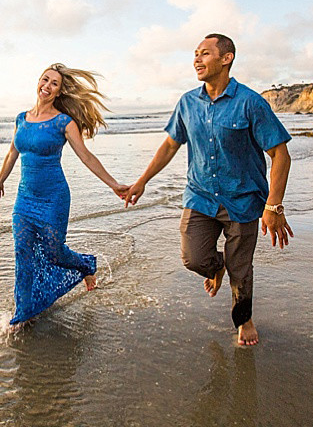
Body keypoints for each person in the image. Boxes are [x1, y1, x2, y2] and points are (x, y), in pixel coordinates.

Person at [123, 34, 293, 347]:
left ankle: (244, 320)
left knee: (240, 269)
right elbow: (171, 144)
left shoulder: (250, 103)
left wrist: (273, 206)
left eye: (205, 53)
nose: (196, 60)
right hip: (199, 195)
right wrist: (142, 180)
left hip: (242, 198)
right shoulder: (188, 102)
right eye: (195, 54)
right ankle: (216, 268)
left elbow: (280, 154)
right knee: (193, 257)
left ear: (226, 59)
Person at [0, 63, 128, 330]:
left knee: (54, 253)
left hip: (53, 198)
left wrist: (113, 184)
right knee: (23, 254)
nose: (47, 86)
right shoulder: (22, 118)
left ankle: (87, 265)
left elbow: (86, 156)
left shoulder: (64, 122)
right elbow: (12, 153)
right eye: (45, 80)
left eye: (54, 83)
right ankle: (24, 311)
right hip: (24, 199)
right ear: (38, 82)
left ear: (59, 91)